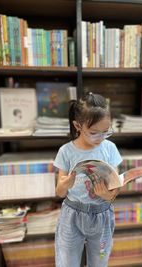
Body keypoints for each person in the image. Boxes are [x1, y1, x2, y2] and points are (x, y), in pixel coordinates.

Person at [53, 92, 122, 267]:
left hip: (102, 215)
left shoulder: (110, 148)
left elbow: (116, 190)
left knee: (100, 260)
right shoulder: (66, 151)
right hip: (72, 215)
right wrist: (64, 185)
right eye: (93, 133)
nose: (100, 138)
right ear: (78, 125)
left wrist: (107, 195)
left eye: (106, 132)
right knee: (67, 261)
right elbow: (59, 193)